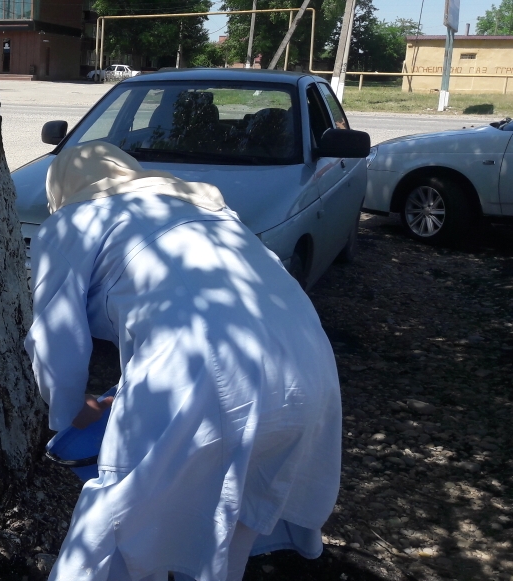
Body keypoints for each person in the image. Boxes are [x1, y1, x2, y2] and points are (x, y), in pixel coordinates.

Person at [24, 142, 342, 581]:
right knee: (234, 506)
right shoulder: (206, 207)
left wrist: (69, 409)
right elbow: (185, 301)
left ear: (62, 191)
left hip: (202, 369)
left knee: (117, 525)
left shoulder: (72, 221)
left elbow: (54, 333)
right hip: (307, 363)